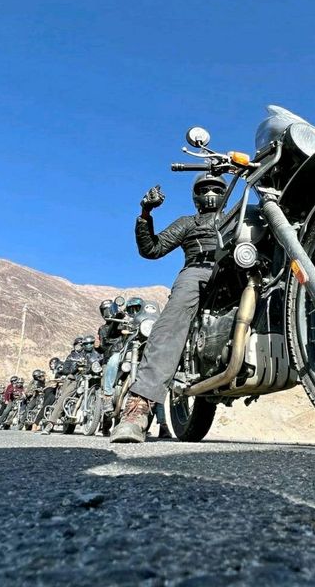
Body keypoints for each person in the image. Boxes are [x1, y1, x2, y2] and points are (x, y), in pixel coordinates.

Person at [110, 174, 227, 443]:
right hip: (198, 271)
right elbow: (152, 248)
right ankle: (138, 408)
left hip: (235, 266)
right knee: (171, 322)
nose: (210, 192)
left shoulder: (238, 214)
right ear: (196, 196)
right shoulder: (188, 223)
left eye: (216, 188)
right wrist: (145, 213)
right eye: (205, 188)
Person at [42, 335, 101, 435]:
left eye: (91, 343)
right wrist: (75, 367)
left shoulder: (98, 355)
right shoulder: (74, 356)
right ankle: (50, 424)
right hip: (78, 379)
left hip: (93, 379)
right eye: (86, 344)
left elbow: (101, 362)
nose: (89, 345)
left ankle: (104, 427)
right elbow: (65, 369)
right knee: (64, 397)